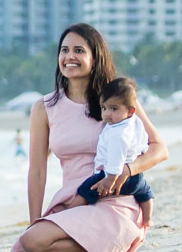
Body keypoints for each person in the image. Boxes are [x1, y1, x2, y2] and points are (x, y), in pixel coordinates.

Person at [4, 24, 169, 252]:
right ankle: (105, 249)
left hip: (115, 202)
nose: (70, 56)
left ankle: (116, 238)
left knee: (34, 243)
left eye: (79, 50)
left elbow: (159, 148)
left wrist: (127, 170)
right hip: (71, 203)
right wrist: (34, 222)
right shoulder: (44, 107)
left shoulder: (117, 101)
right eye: (64, 50)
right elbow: (37, 171)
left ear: (95, 57)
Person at [46, 77, 152, 229]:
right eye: (104, 108)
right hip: (136, 176)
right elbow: (144, 142)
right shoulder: (134, 122)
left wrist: (109, 180)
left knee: (86, 189)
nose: (107, 114)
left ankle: (71, 210)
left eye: (114, 109)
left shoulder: (117, 134)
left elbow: (115, 161)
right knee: (145, 192)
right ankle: (147, 219)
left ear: (130, 111)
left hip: (113, 175)